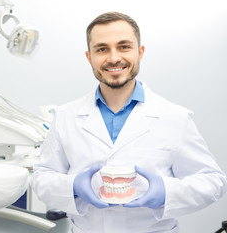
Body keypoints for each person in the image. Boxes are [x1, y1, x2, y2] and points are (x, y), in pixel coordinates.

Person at [31, 12, 227, 233]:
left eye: (124, 47)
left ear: (140, 52)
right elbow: (41, 178)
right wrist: (73, 186)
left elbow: (213, 182)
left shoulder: (175, 117)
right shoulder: (66, 116)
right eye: (102, 49)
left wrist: (166, 191)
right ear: (89, 57)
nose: (114, 58)